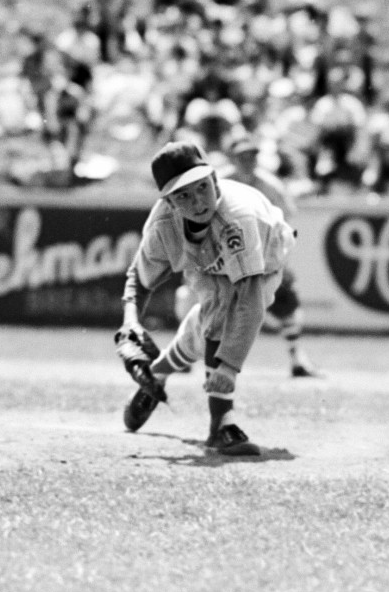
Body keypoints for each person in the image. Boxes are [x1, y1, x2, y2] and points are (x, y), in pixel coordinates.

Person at [114, 140, 297, 456]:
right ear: (170, 203)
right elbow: (138, 280)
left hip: (264, 256)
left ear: (214, 180)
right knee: (214, 314)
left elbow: (249, 300)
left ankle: (189, 398)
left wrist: (229, 367)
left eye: (201, 187)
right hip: (205, 257)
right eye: (183, 195)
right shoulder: (163, 227)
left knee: (223, 311)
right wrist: (130, 323)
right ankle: (220, 424)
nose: (197, 201)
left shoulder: (238, 217)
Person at [218, 135, 322, 378]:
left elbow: (286, 218)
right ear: (233, 158)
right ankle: (186, 357)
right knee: (194, 297)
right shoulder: (219, 182)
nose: (248, 161)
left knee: (288, 301)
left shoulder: (269, 185)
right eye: (243, 156)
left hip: (261, 256)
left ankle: (297, 359)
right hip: (224, 255)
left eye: (252, 155)